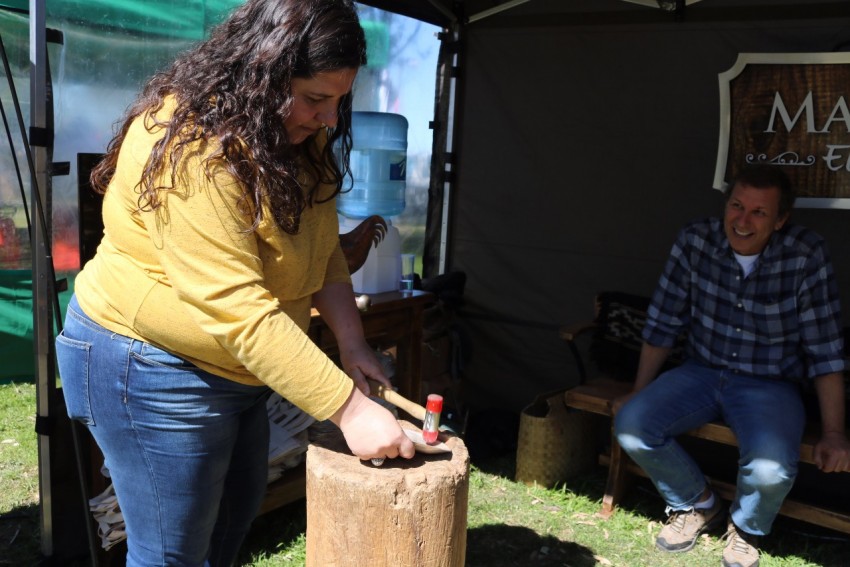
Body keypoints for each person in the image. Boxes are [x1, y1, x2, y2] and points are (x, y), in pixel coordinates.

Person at [54, 1, 415, 565]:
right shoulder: (191, 145)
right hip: (146, 363)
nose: (327, 119)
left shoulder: (297, 137)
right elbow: (235, 306)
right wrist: (350, 410)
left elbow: (323, 253)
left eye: (339, 100)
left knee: (226, 533)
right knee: (170, 554)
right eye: (316, 98)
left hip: (237, 369)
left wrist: (352, 343)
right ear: (261, 74)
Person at [612, 164, 850, 567]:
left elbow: (825, 349)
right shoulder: (695, 240)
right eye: (737, 206)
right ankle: (697, 502)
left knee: (771, 469)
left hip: (770, 384)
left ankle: (745, 529)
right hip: (700, 371)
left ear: (780, 220)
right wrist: (639, 390)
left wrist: (833, 432)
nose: (742, 220)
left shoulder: (805, 254)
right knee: (632, 424)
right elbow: (663, 321)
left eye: (758, 212)